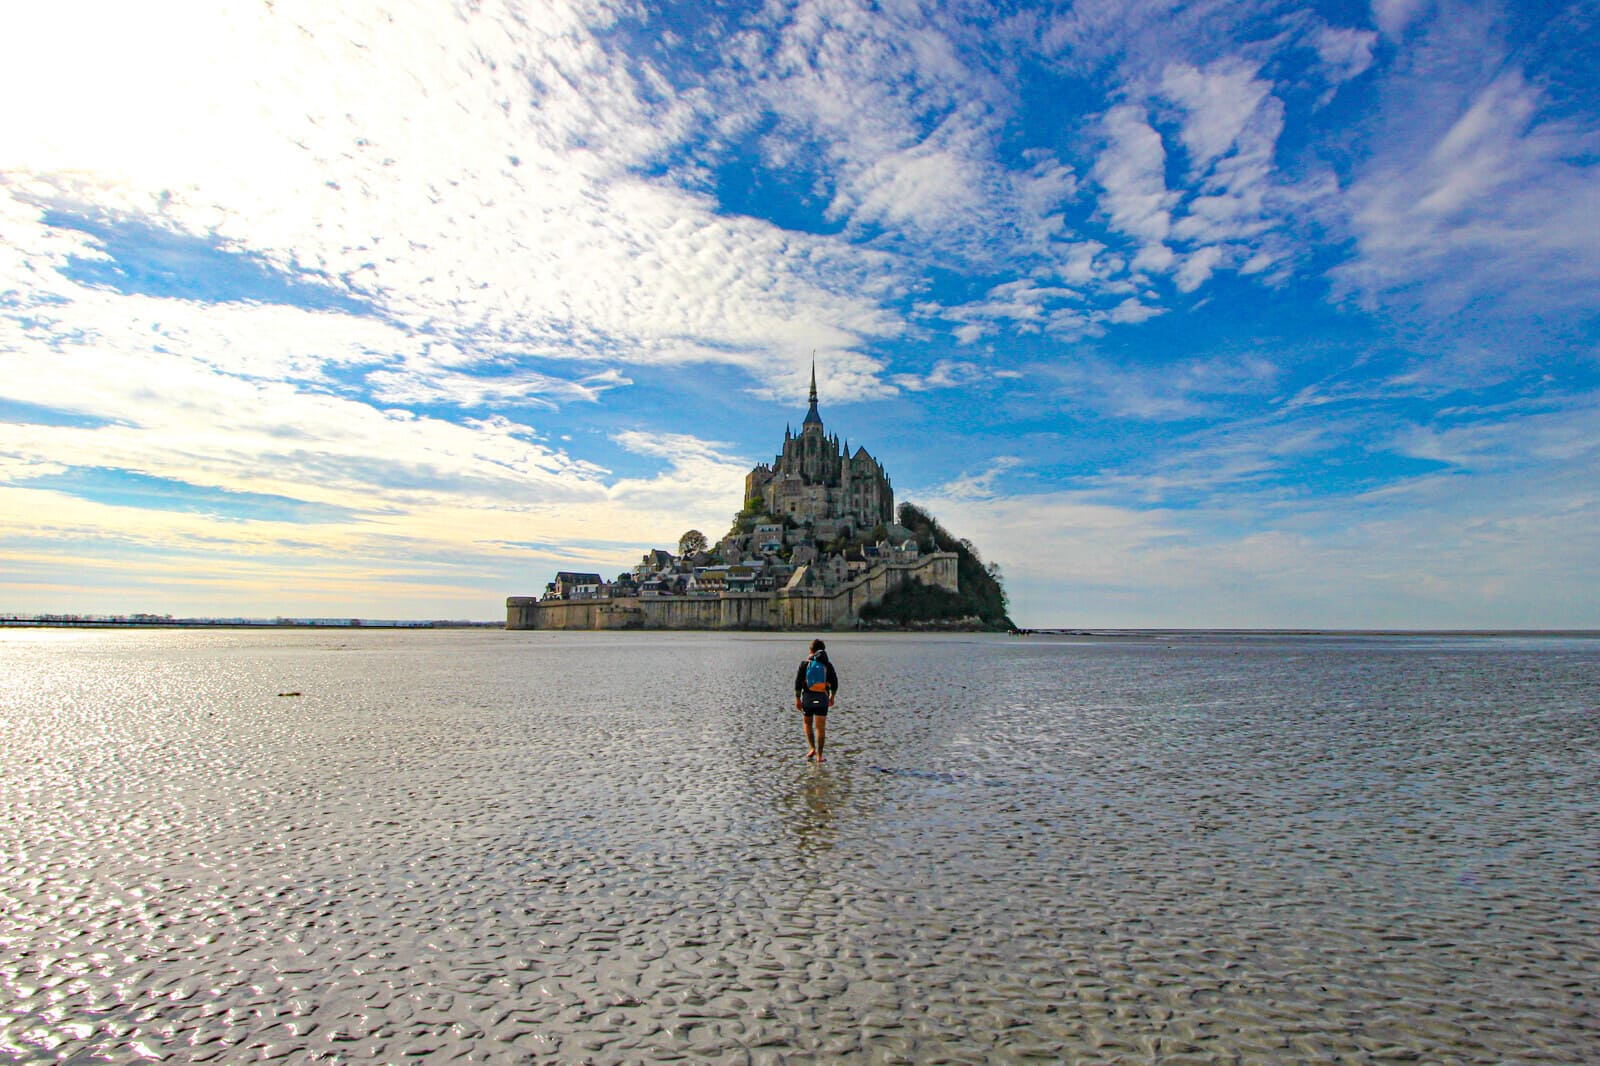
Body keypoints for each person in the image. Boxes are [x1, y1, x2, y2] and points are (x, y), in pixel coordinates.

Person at [794, 638, 838, 762]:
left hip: (807, 698)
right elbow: (834, 683)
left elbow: (798, 683)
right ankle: (820, 756)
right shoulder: (827, 665)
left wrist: (798, 699)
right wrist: (832, 696)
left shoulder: (804, 664)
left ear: (810, 650)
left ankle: (812, 748)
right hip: (822, 698)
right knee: (820, 727)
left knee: (808, 723)